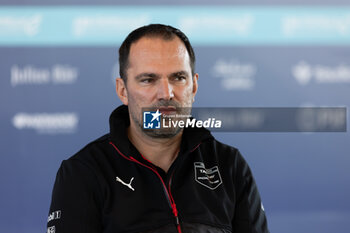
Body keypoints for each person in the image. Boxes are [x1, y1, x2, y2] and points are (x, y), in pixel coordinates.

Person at [47, 24, 269, 233]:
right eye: (148, 80)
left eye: (178, 77)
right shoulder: (84, 172)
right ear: (123, 90)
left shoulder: (229, 165)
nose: (166, 93)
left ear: (194, 87)